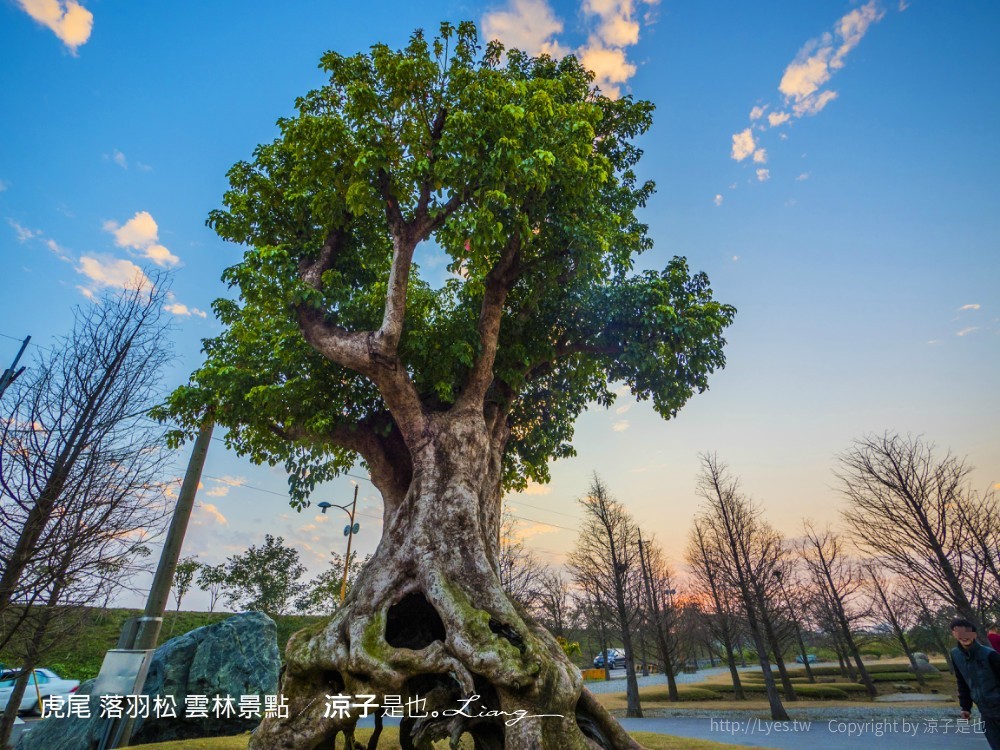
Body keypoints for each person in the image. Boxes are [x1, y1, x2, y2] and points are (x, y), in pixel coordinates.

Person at [951, 618, 1000, 748]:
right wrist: (965, 707)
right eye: (959, 633)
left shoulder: (990, 655)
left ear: (974, 634)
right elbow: (962, 681)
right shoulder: (956, 655)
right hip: (986, 712)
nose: (964, 636)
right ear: (954, 634)